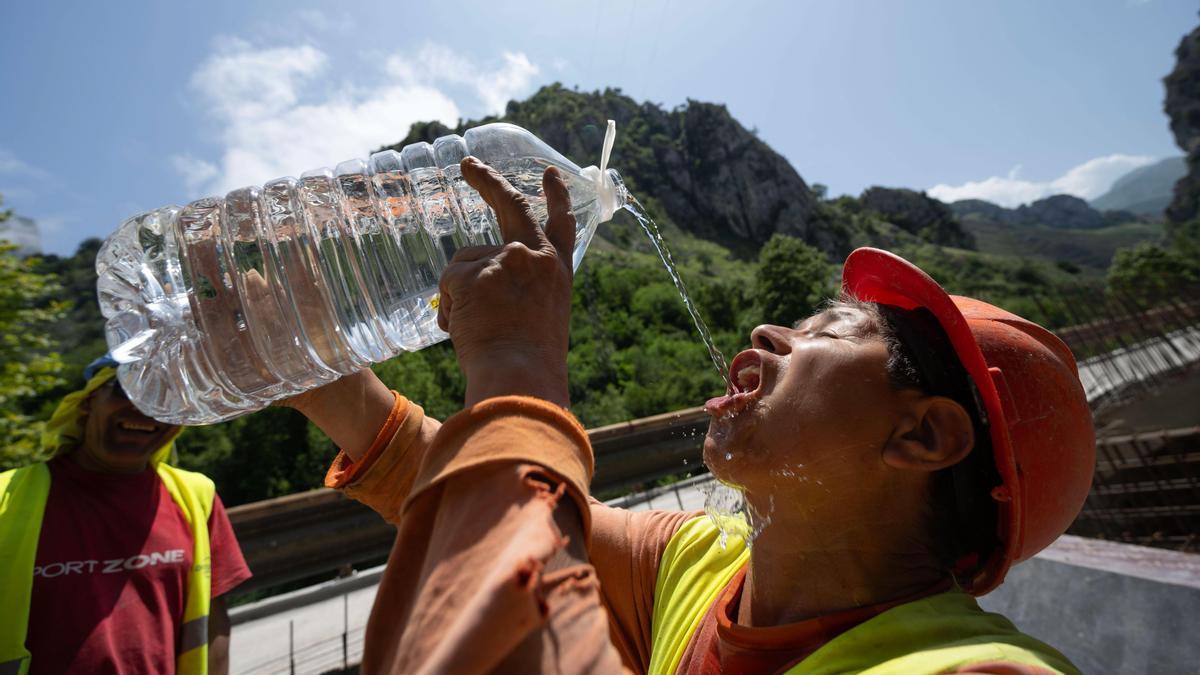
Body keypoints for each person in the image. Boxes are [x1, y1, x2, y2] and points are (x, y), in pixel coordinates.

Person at [286, 157, 1093, 674]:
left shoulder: (976, 671)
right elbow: (503, 515)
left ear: (923, 434)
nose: (767, 332)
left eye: (827, 331)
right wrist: (318, 373)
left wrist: (515, 369)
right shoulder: (700, 567)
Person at [0, 356, 252, 675]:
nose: (145, 408)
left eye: (165, 396)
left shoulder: (197, 497)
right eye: (126, 390)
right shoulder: (6, 500)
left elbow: (214, 622)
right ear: (87, 402)